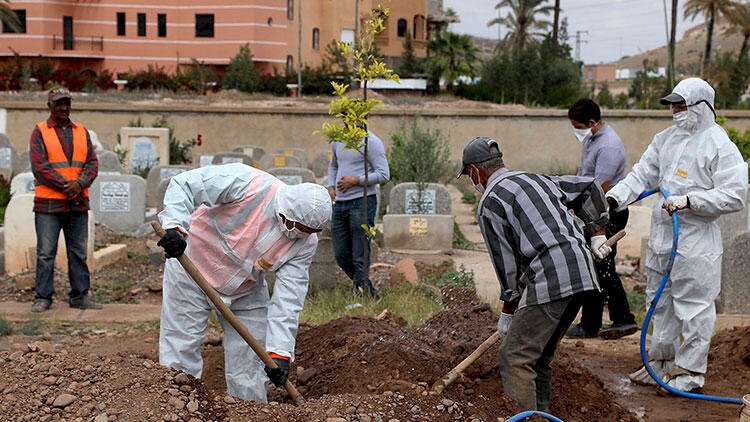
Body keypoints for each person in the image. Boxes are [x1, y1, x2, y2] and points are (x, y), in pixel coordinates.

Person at [606, 78, 747, 394]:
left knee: (693, 308)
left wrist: (691, 199)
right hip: (662, 239)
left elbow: (736, 195)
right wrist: (614, 198)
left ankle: (690, 372)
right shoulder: (666, 139)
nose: (675, 111)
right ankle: (661, 363)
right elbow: (642, 174)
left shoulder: (719, 145)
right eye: (672, 105)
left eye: (681, 105)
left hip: (695, 241)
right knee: (659, 303)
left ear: (702, 106)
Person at [457, 136, 611, 411]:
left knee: (515, 356)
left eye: (469, 175)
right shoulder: (537, 179)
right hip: (583, 272)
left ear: (476, 171)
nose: (473, 182)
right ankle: (541, 415)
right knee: (538, 357)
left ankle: (524, 418)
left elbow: (508, 268)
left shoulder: (490, 202)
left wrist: (507, 311)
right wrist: (597, 234)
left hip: (551, 276)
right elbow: (589, 186)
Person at [157, 163, 332, 402]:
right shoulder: (249, 183)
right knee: (180, 348)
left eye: (307, 231)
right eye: (294, 227)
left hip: (245, 289)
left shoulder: (305, 243)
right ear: (285, 211)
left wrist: (280, 353)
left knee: (250, 364)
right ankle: (177, 407)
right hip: (192, 268)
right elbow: (186, 184)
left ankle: (247, 412)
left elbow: (289, 297)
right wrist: (175, 228)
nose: (296, 235)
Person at [565, 99, 638, 340]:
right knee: (598, 267)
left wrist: (578, 209)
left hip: (607, 211)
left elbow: (599, 187)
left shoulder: (608, 146)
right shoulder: (593, 139)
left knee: (599, 266)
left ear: (592, 122)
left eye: (578, 126)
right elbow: (583, 176)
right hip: (593, 209)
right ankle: (613, 320)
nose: (576, 131)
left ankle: (599, 323)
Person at [30, 86, 100, 313]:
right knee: (45, 253)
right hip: (49, 204)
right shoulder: (40, 131)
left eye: (66, 103)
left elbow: (92, 163)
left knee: (78, 252)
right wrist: (67, 186)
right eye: (58, 103)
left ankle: (80, 296)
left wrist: (79, 184)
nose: (63, 107)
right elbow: (40, 167)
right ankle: (43, 297)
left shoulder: (82, 131)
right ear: (49, 105)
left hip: (77, 202)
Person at [327, 131, 390, 296]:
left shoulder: (372, 142)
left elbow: (384, 174)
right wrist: (331, 186)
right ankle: (368, 291)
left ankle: (361, 295)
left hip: (362, 201)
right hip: (340, 203)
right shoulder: (338, 140)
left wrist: (356, 180)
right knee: (341, 255)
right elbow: (334, 165)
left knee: (359, 254)